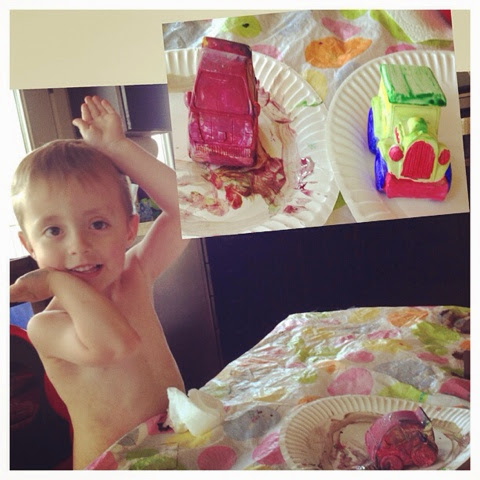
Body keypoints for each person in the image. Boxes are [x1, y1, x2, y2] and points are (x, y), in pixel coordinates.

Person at [10, 95, 187, 469]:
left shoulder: (134, 275)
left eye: (98, 224)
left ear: (129, 229)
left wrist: (118, 149)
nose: (79, 246)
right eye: (54, 230)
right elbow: (116, 345)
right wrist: (58, 284)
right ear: (29, 246)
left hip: (178, 444)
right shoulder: (47, 325)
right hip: (113, 465)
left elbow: (189, 211)